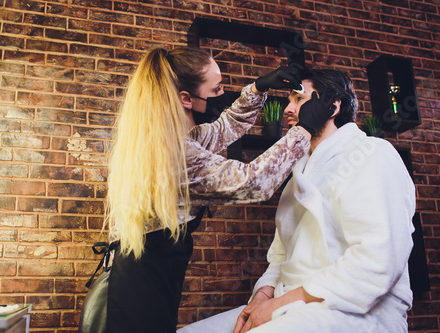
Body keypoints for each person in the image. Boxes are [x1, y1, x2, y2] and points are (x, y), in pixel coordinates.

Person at [78, 47, 335, 333]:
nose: (222, 94)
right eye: (217, 88)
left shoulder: (183, 136)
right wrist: (304, 130)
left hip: (149, 282)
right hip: (134, 292)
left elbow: (227, 125)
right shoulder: (175, 153)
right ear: (186, 99)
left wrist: (259, 88)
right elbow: (254, 182)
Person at [178, 69, 416, 333]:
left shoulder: (371, 154)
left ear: (332, 106)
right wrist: (263, 297)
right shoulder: (300, 170)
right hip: (293, 299)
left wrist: (281, 303)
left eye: (298, 100)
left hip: (354, 307)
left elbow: (376, 262)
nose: (287, 109)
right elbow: (282, 255)